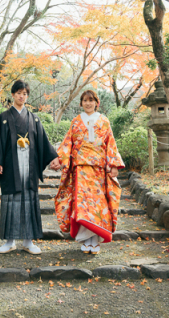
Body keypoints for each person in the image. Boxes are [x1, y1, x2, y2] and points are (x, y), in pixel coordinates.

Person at [0, 80, 61, 255]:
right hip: (11, 166)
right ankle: (9, 241)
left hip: (30, 166)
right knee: (10, 201)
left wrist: (54, 158)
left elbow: (43, 141)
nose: (22, 96)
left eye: (25, 93)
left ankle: (29, 241)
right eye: (19, 93)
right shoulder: (4, 118)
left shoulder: (34, 118)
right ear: (13, 95)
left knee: (29, 201)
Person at [54, 90, 124, 254]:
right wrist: (59, 159)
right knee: (83, 204)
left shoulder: (104, 121)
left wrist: (113, 164)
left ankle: (95, 241)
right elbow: (67, 144)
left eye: (91, 100)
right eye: (85, 100)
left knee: (97, 204)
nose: (88, 103)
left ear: (96, 102)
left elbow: (110, 144)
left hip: (98, 169)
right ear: (81, 103)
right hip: (80, 168)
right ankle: (86, 240)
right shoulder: (76, 121)